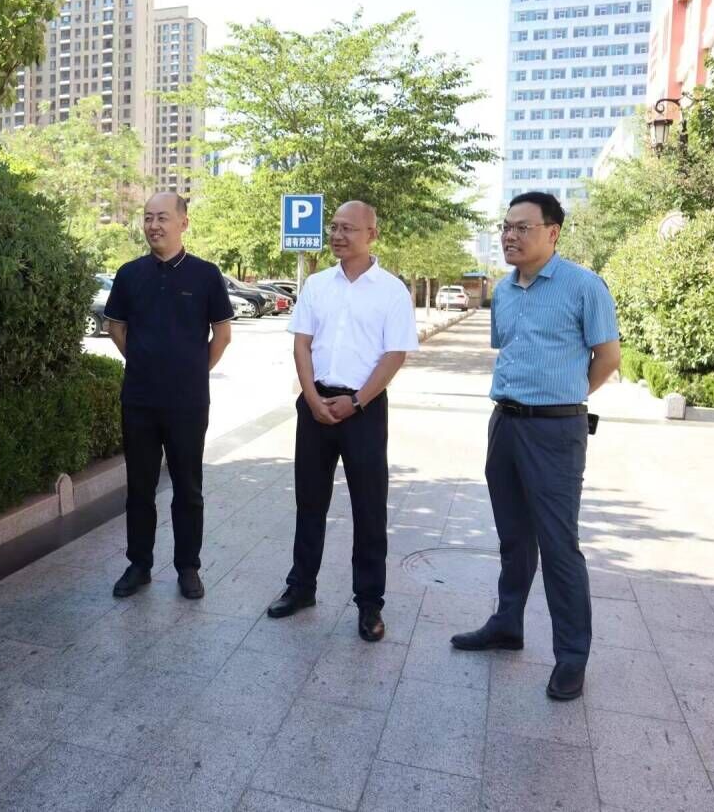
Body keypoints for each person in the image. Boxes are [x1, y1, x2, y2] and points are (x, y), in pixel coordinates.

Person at [451, 192, 620, 701]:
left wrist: (565, 397)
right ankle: (507, 623)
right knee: (513, 536)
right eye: (506, 227)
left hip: (555, 431)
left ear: (553, 232)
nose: (510, 236)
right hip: (505, 423)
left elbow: (607, 357)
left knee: (558, 545)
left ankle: (572, 656)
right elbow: (509, 348)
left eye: (522, 227)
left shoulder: (583, 286)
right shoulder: (504, 290)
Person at [266, 201, 419, 642]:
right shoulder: (316, 285)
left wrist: (356, 401)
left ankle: (369, 604)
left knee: (368, 508)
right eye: (333, 227)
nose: (337, 235)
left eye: (348, 228)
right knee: (309, 502)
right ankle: (301, 588)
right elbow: (301, 344)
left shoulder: (392, 290)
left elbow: (395, 354)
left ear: (372, 234)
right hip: (315, 405)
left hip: (363, 410)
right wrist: (312, 398)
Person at [104, 192, 233, 600]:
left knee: (188, 488)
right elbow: (116, 328)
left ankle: (188, 567)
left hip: (188, 402)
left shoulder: (206, 275)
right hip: (139, 399)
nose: (153, 225)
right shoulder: (129, 274)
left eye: (162, 217)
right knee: (139, 487)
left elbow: (222, 334)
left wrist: (192, 370)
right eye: (147, 218)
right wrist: (143, 361)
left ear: (183, 223)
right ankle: (139, 564)